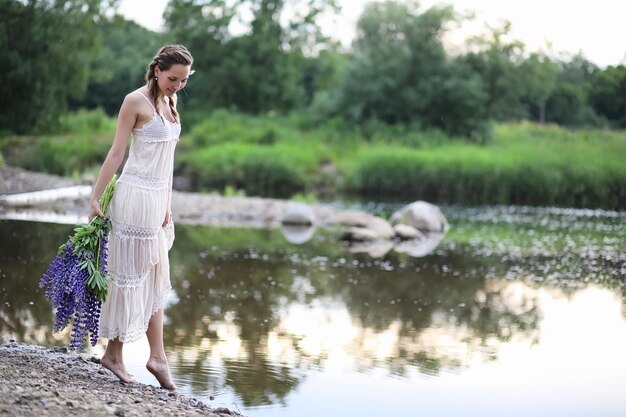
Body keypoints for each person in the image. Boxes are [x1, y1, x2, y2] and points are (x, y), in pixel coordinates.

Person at [88, 44, 193, 390]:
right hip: (133, 197)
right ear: (157, 70)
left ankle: (157, 357)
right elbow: (117, 152)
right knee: (128, 276)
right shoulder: (135, 101)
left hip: (156, 202)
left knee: (154, 277)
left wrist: (167, 203)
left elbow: (169, 163)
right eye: (173, 78)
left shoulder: (171, 102)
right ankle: (115, 355)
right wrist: (95, 196)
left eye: (183, 80)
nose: (177, 85)